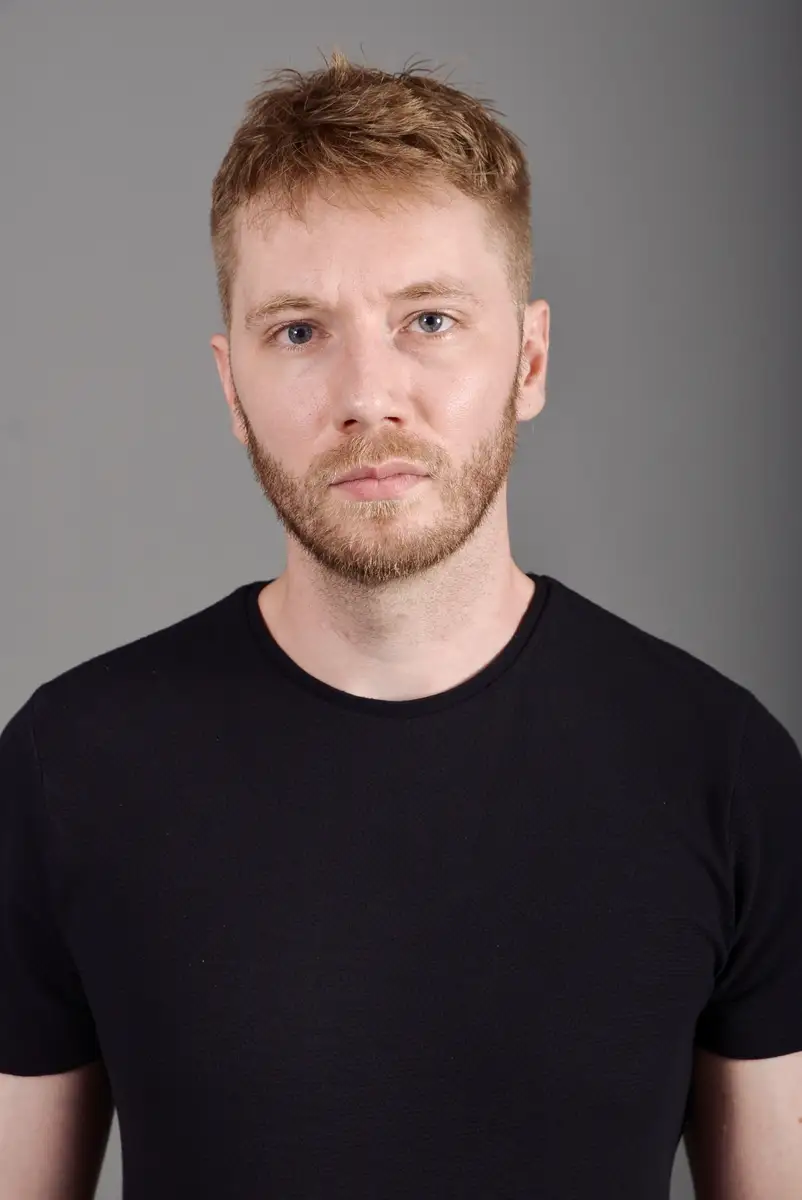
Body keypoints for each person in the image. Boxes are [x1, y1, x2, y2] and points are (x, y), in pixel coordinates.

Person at [1, 49, 800, 1200]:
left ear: (528, 358)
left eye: (428, 319)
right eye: (298, 331)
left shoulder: (722, 769)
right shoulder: (65, 767)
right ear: (231, 391)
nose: (368, 396)